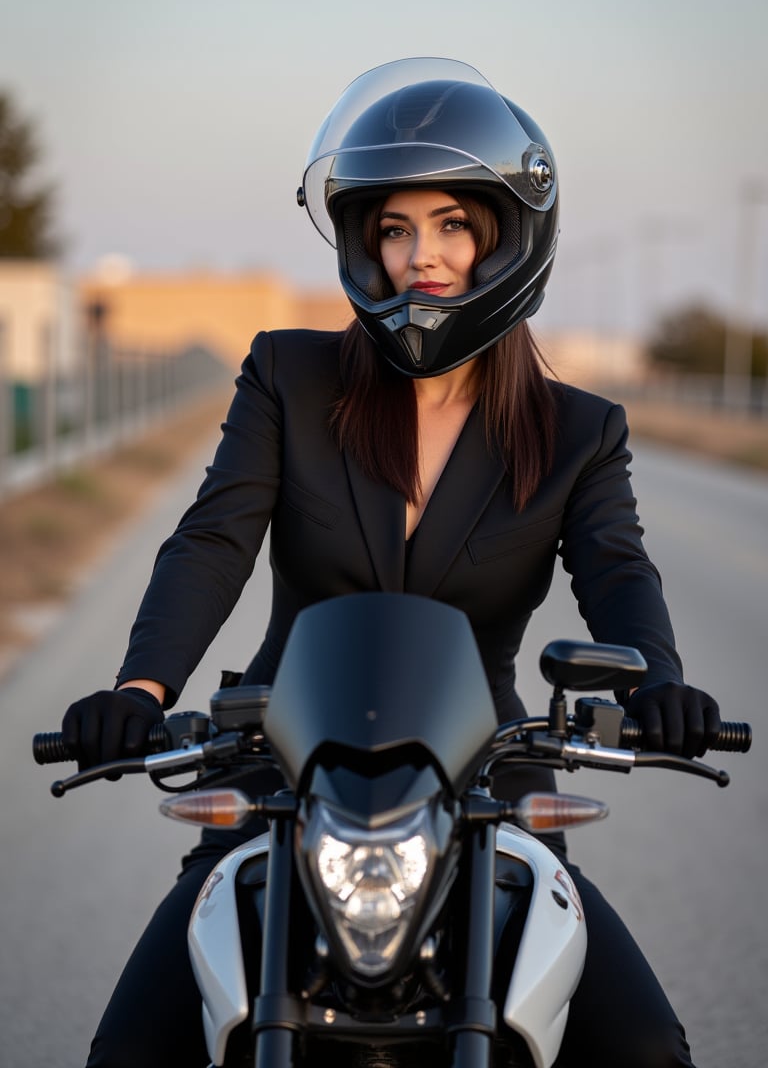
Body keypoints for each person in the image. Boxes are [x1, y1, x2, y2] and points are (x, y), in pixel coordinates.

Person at [61, 57, 721, 1068]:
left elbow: (618, 570)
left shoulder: (578, 431)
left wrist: (659, 684)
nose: (425, 255)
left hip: (488, 785)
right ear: (365, 242)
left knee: (645, 1049)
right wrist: (140, 688)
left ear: (506, 237)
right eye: (396, 228)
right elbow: (214, 538)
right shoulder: (292, 375)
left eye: (454, 224)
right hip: (282, 774)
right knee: (129, 1051)